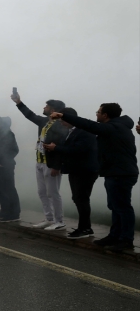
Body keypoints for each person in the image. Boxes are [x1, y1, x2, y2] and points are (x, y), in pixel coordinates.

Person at [51, 103, 138, 252]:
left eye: (98, 112)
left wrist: (64, 115)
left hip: (121, 173)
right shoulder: (116, 127)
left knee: (122, 208)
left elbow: (88, 125)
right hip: (115, 172)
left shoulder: (113, 128)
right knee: (115, 207)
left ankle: (126, 240)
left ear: (105, 115)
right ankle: (114, 235)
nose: (96, 114)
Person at [12, 92, 68, 231]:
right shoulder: (44, 122)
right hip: (40, 162)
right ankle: (49, 219)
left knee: (53, 193)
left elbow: (62, 145)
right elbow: (30, 115)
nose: (44, 108)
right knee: (42, 192)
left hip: (51, 164)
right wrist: (19, 102)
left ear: (54, 109)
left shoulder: (60, 125)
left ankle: (59, 221)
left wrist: (57, 165)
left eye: (47, 106)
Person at [43, 108, 98, 239]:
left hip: (84, 170)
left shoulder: (84, 131)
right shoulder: (71, 131)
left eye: (63, 119)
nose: (61, 122)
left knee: (81, 199)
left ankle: (85, 228)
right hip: (76, 170)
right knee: (78, 198)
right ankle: (84, 227)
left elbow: (78, 150)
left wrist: (56, 148)